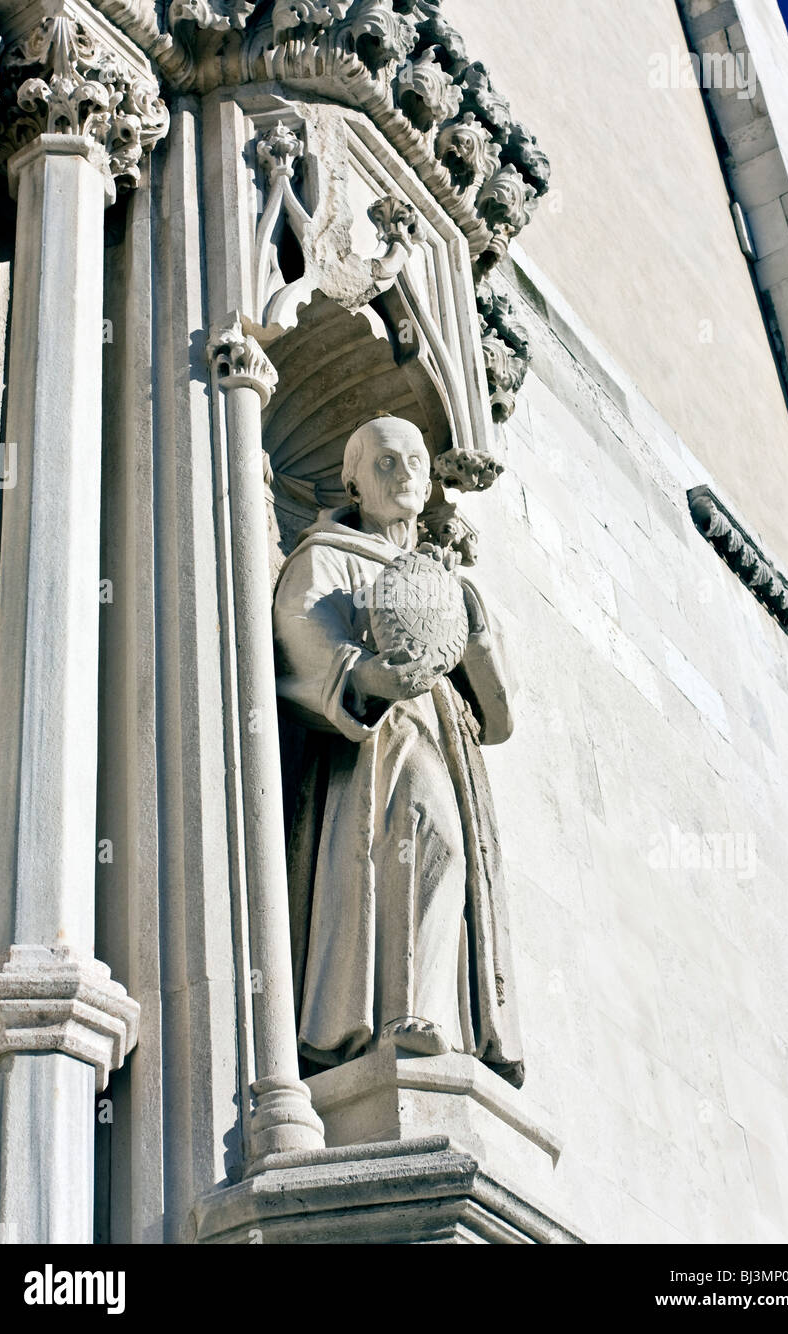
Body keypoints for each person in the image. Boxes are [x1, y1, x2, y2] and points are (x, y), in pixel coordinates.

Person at [273, 415, 524, 1085]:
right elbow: (299, 632)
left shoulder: (449, 580)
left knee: (449, 851)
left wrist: (474, 631)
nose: (405, 472)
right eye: (385, 462)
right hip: (377, 740)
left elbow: (499, 718)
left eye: (415, 461)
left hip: (445, 737)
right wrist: (364, 675)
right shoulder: (329, 556)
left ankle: (431, 1010)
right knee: (425, 832)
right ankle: (397, 1014)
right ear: (352, 482)